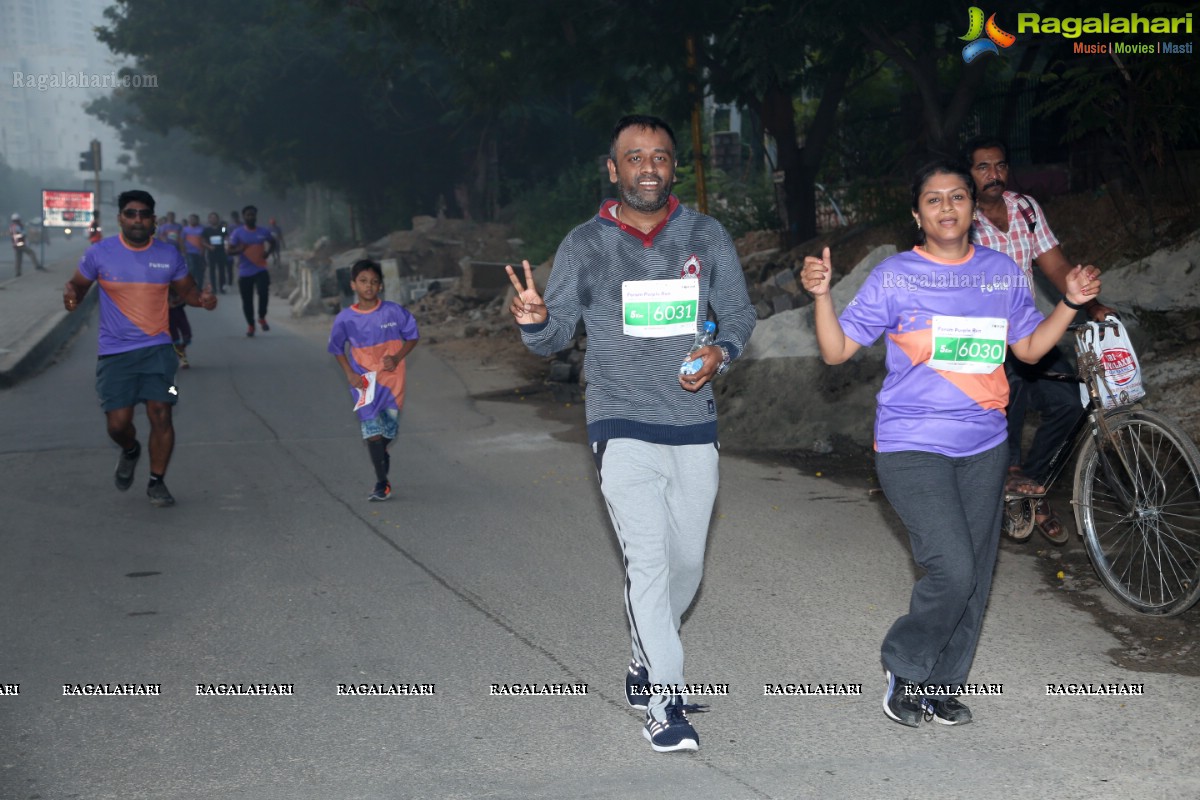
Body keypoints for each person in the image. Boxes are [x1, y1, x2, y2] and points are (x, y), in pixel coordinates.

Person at [800, 160, 1100, 728]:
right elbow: (838, 351)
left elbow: (1031, 351)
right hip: (911, 445)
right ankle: (905, 664)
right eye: (933, 200)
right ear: (917, 214)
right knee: (953, 569)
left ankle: (942, 685)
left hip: (985, 446)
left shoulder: (1001, 272)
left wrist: (1069, 302)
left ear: (971, 208)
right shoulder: (895, 276)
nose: (947, 207)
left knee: (978, 572)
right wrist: (820, 296)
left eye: (957, 196)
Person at [506, 114, 756, 753]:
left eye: (661, 157)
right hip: (618, 421)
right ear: (613, 169)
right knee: (647, 560)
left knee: (687, 564)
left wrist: (720, 353)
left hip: (692, 421)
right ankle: (663, 702)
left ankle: (647, 656)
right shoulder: (585, 243)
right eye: (634, 157)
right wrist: (535, 320)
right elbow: (555, 331)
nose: (648, 167)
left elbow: (739, 314)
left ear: (674, 168)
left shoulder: (706, 233)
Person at [963, 137, 1115, 542]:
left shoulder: (1025, 209)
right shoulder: (963, 219)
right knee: (1007, 393)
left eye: (999, 166)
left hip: (1029, 331)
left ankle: (1034, 483)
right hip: (986, 337)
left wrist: (1092, 305)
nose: (992, 174)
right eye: (982, 167)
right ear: (969, 174)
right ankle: (1010, 476)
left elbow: (1056, 265)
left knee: (1070, 402)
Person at [62, 189, 218, 507]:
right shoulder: (99, 254)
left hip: (158, 348)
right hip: (114, 352)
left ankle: (156, 481)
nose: (137, 219)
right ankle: (131, 450)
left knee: (161, 413)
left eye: (144, 214)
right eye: (131, 213)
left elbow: (187, 291)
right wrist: (71, 296)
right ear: (120, 218)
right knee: (117, 425)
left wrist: (203, 300)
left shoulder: (169, 255)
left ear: (154, 221)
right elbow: (78, 285)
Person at [327, 259, 420, 501]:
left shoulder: (393, 311)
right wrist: (349, 373)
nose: (369, 286)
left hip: (391, 381)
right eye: (363, 281)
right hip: (363, 382)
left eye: (374, 282)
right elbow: (336, 348)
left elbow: (412, 336)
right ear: (353, 285)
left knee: (388, 431)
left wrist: (398, 357)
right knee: (372, 431)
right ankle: (382, 482)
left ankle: (381, 453)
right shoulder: (345, 319)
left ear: (380, 286)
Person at [226, 204, 276, 336]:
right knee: (247, 300)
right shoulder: (237, 232)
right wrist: (240, 250)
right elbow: (229, 250)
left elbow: (273, 242)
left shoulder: (263, 231)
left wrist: (267, 252)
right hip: (244, 271)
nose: (250, 217)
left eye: (252, 215)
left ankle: (262, 317)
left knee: (263, 292)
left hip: (260, 269)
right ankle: (251, 325)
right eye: (247, 215)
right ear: (244, 217)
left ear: (256, 216)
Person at [202, 212, 231, 293]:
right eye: (212, 218)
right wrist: (209, 247)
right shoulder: (206, 230)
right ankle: (214, 288)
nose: (213, 219)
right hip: (211, 252)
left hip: (221, 251)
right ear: (209, 219)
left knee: (222, 270)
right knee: (212, 271)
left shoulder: (222, 228)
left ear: (218, 219)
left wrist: (226, 247)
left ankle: (222, 288)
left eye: (215, 217)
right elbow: (203, 241)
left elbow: (226, 237)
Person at [181, 213, 209, 289]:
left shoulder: (202, 229)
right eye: (191, 219)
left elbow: (205, 240)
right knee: (192, 268)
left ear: (197, 220)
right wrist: (183, 250)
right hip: (189, 252)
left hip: (200, 252)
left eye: (194, 219)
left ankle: (199, 286)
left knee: (200, 270)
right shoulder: (185, 229)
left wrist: (203, 250)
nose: (192, 220)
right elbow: (182, 241)